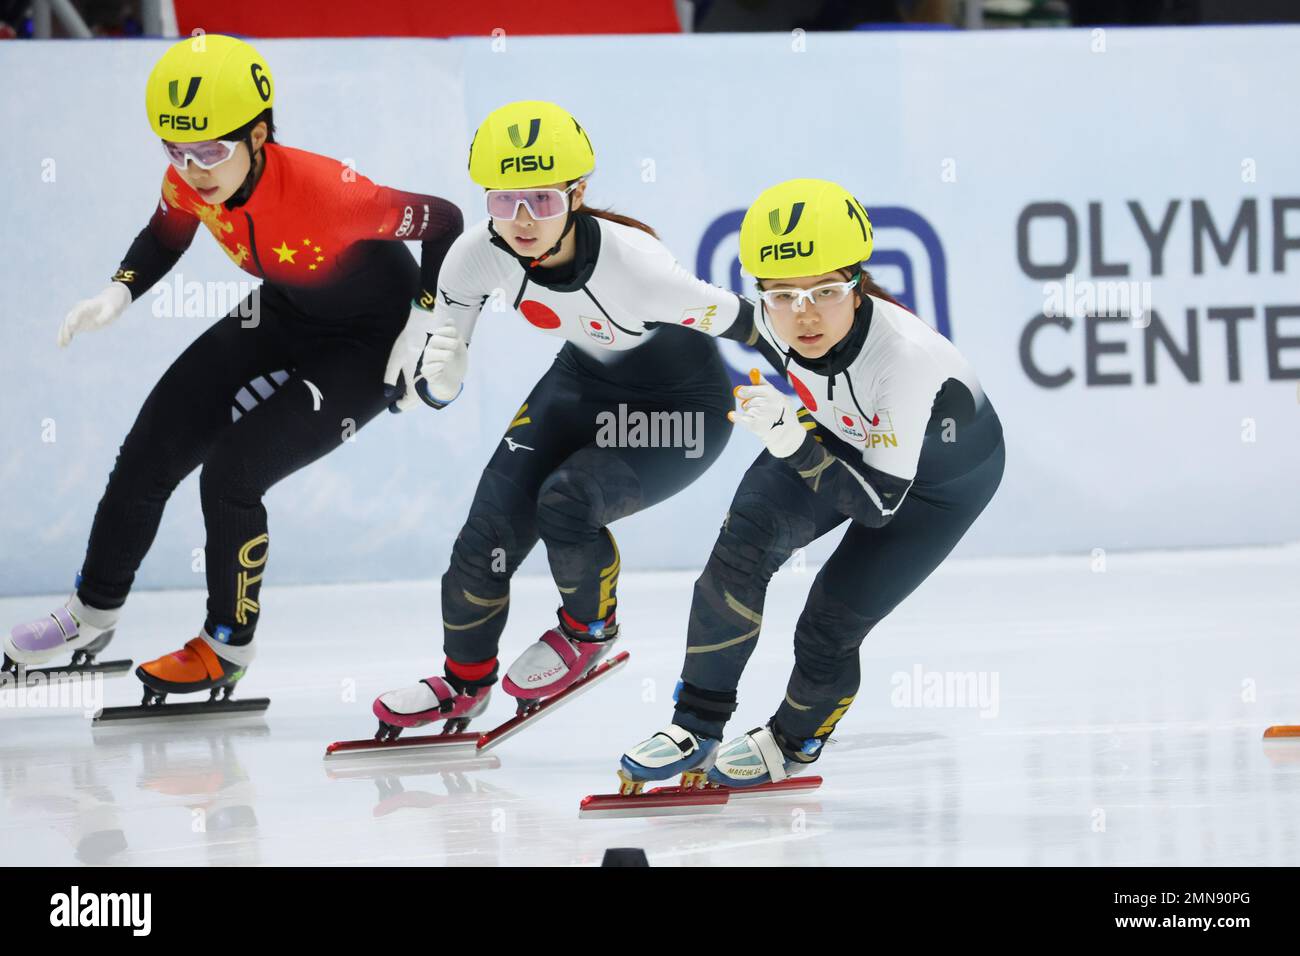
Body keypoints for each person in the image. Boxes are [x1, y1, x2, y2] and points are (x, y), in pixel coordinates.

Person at [4, 35, 463, 704]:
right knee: (152, 445)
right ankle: (91, 614)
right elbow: (165, 234)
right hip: (280, 312)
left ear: (259, 132)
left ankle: (226, 645)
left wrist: (426, 317)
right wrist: (118, 292)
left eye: (211, 151)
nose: (193, 170)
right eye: (176, 151)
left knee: (232, 476)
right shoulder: (189, 179)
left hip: (370, 345)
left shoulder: (330, 192)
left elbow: (445, 219)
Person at [372, 101, 776, 736]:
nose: (523, 220)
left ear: (578, 192)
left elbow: (756, 325)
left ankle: (588, 630)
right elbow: (439, 374)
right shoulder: (474, 256)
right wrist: (439, 385)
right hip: (582, 387)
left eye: (541, 200)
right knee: (484, 541)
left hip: (682, 412)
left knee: (566, 501)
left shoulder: (637, 264)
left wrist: (836, 393)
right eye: (504, 202)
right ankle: (463, 680)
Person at [619, 178, 1005, 787]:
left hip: (935, 486)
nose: (803, 313)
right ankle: (696, 721)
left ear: (857, 282)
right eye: (782, 294)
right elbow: (679, 300)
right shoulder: (771, 318)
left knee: (828, 622)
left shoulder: (905, 360)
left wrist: (794, 442)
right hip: (835, 435)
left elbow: (878, 506)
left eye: (825, 290)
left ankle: (796, 740)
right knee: (741, 548)